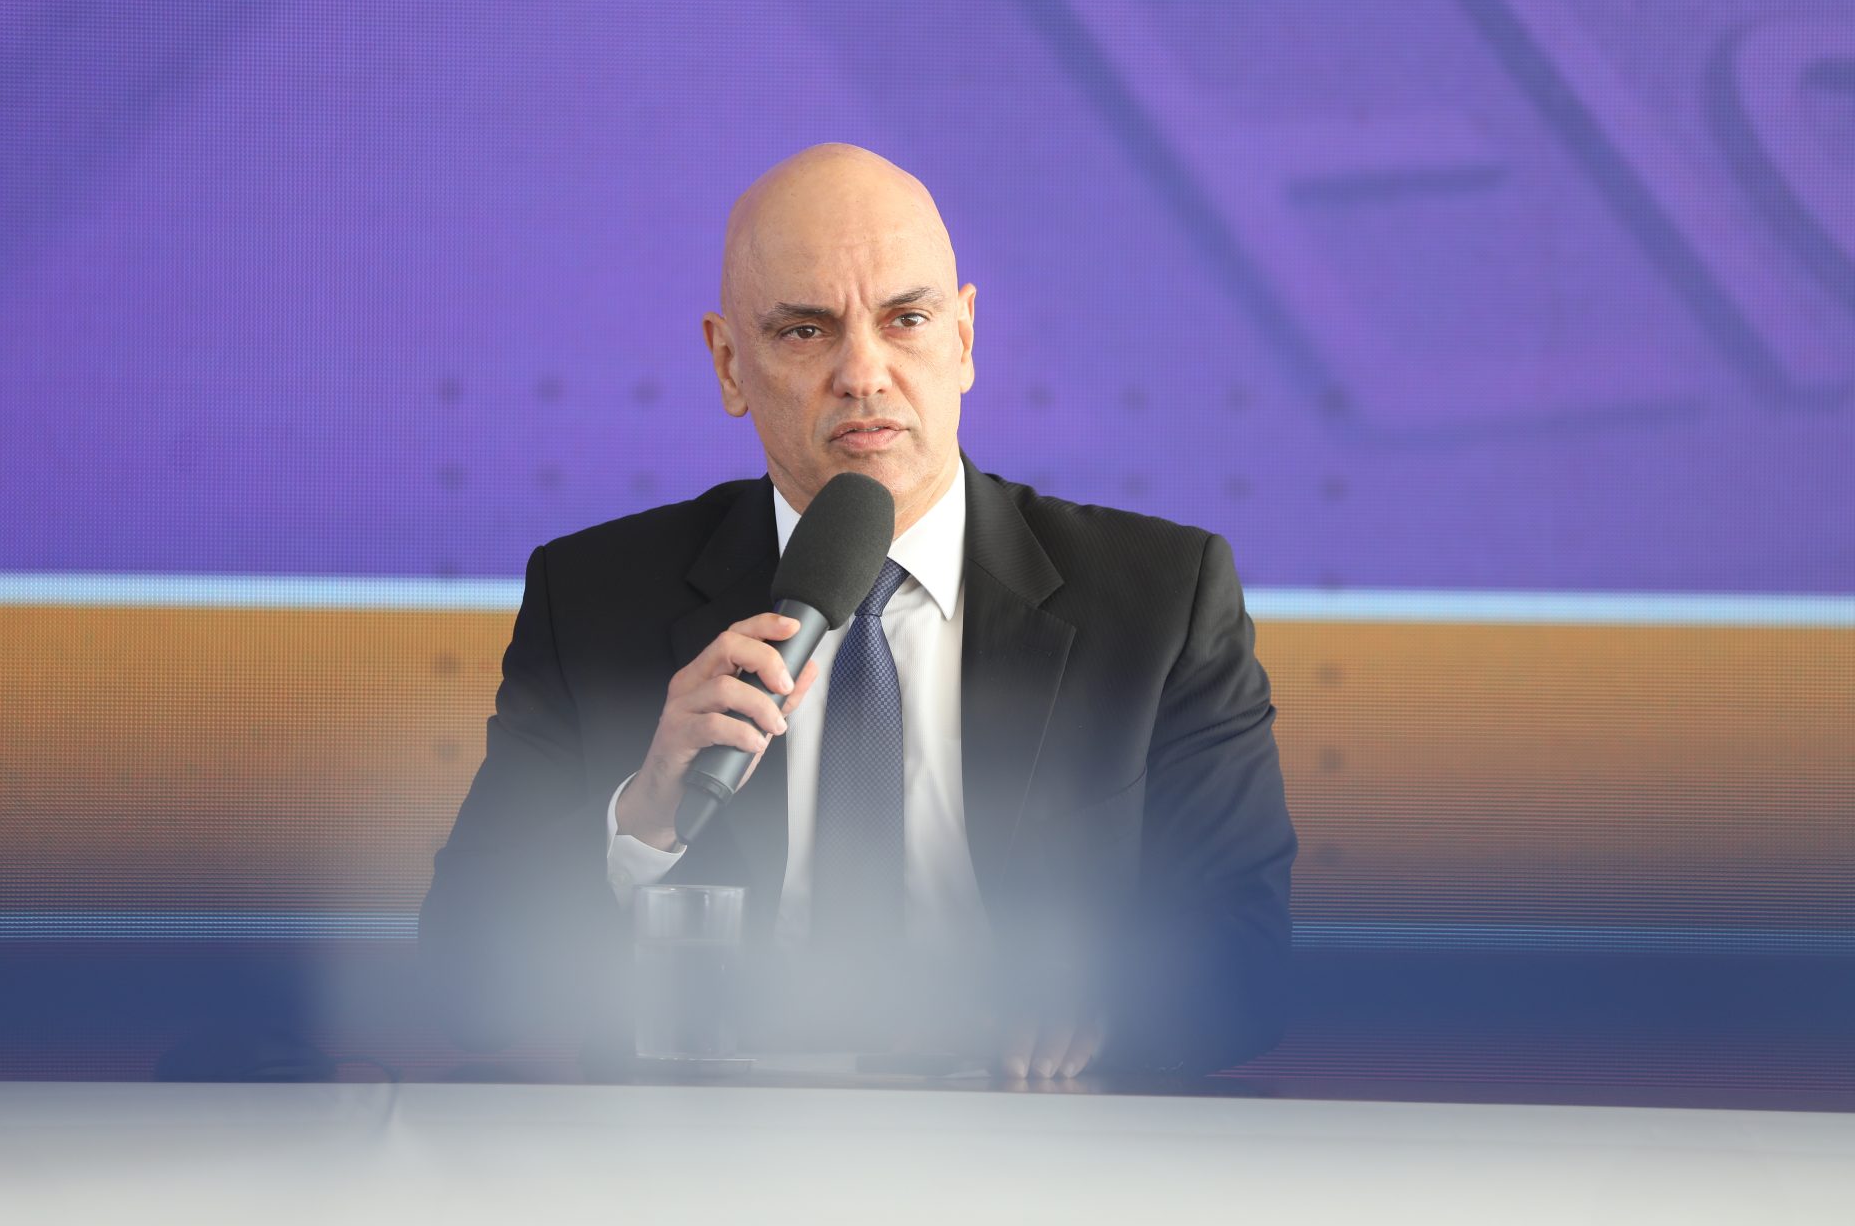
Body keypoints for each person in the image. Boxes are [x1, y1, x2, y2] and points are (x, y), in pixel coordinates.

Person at [419, 144, 1296, 1079]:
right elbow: (463, 987)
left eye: (906, 320)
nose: (863, 373)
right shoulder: (594, 597)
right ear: (728, 363)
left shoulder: (1160, 597)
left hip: (1029, 1128)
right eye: (805, 331)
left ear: (964, 339)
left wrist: (1114, 1000)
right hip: (701, 1140)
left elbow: (1248, 976)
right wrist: (643, 817)